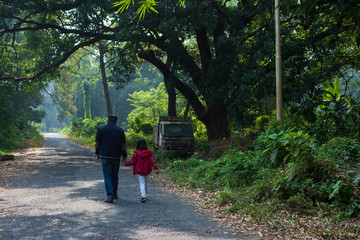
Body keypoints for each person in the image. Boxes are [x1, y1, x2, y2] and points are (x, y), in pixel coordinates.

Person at [95, 114, 127, 203]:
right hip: (116, 156)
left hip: (104, 156)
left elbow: (97, 142)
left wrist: (97, 152)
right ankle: (115, 193)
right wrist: (124, 155)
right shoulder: (120, 130)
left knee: (107, 176)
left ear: (108, 120)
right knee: (115, 175)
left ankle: (109, 195)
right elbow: (123, 145)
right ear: (116, 121)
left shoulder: (101, 129)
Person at [123, 139, 159, 203]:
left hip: (139, 170)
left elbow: (133, 161)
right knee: (146, 182)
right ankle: (145, 195)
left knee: (142, 183)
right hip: (147, 169)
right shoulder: (149, 152)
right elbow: (152, 161)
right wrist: (156, 168)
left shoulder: (136, 152)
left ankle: (143, 196)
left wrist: (126, 164)